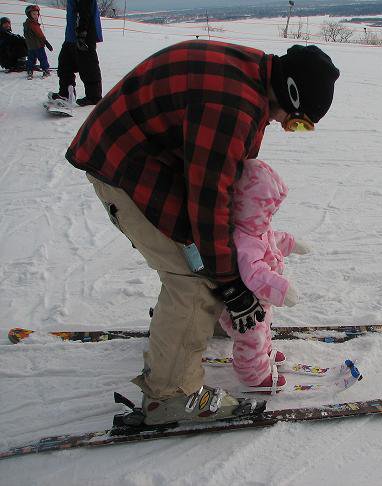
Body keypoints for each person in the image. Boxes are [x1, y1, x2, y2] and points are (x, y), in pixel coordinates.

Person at [65, 40, 339, 425]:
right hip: (124, 165)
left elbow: (225, 184)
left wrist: (229, 277)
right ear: (290, 91)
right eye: (297, 121)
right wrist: (230, 282)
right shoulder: (232, 106)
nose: (285, 126)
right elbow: (209, 204)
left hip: (149, 159)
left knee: (211, 259)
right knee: (192, 277)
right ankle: (170, 395)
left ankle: (208, 320)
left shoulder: (252, 78)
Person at [218, 158, 308, 394]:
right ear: (247, 204)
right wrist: (281, 288)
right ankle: (253, 377)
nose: (269, 216)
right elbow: (254, 274)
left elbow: (272, 238)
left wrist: (292, 243)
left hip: (259, 302)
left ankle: (264, 352)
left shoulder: (257, 228)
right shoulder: (244, 239)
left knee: (264, 326)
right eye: (266, 209)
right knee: (252, 336)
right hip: (242, 303)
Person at [50, 0, 103, 106]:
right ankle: (66, 93)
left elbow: (85, 11)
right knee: (64, 65)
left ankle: (94, 97)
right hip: (71, 37)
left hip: (83, 37)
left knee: (88, 67)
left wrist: (82, 33)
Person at [23, 5, 53, 79]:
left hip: (31, 47)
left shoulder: (26, 24)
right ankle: (46, 70)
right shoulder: (33, 24)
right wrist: (46, 42)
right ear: (29, 14)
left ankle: (30, 70)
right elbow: (40, 35)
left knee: (31, 59)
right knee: (42, 58)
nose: (36, 16)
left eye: (37, 14)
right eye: (34, 14)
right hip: (38, 46)